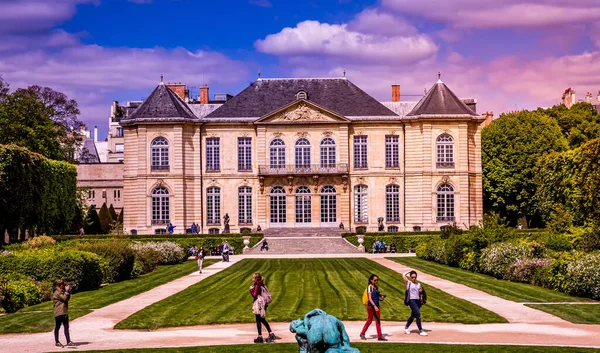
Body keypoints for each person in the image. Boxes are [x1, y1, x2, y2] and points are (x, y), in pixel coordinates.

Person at [250, 273, 275, 343]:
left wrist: (251, 290)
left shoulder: (257, 285)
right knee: (261, 319)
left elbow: (254, 295)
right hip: (263, 303)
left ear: (256, 279)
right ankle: (270, 333)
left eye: (253, 277)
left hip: (260, 304)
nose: (252, 278)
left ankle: (260, 336)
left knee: (259, 320)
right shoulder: (261, 284)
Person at [360, 274, 387, 341]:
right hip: (371, 306)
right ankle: (362, 333)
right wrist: (374, 306)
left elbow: (376, 298)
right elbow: (370, 298)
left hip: (377, 306)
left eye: (377, 280)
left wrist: (381, 299)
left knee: (378, 321)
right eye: (375, 280)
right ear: (371, 280)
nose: (376, 281)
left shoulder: (376, 287)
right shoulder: (370, 287)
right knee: (369, 320)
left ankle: (380, 336)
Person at [402, 270, 428, 336]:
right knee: (418, 315)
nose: (414, 278)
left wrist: (421, 291)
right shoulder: (408, 283)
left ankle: (406, 328)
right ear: (410, 277)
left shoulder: (418, 284)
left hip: (418, 301)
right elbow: (403, 275)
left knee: (413, 316)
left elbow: (420, 292)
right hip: (412, 301)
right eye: (412, 277)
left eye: (415, 277)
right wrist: (409, 271)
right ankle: (421, 331)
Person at [53, 279, 75, 347]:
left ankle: (68, 341)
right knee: (57, 326)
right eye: (63, 284)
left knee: (66, 326)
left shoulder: (62, 291)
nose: (64, 285)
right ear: (60, 285)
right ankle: (57, 341)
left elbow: (67, 299)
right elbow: (64, 298)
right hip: (59, 312)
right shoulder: (57, 292)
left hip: (64, 311)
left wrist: (69, 291)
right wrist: (67, 291)